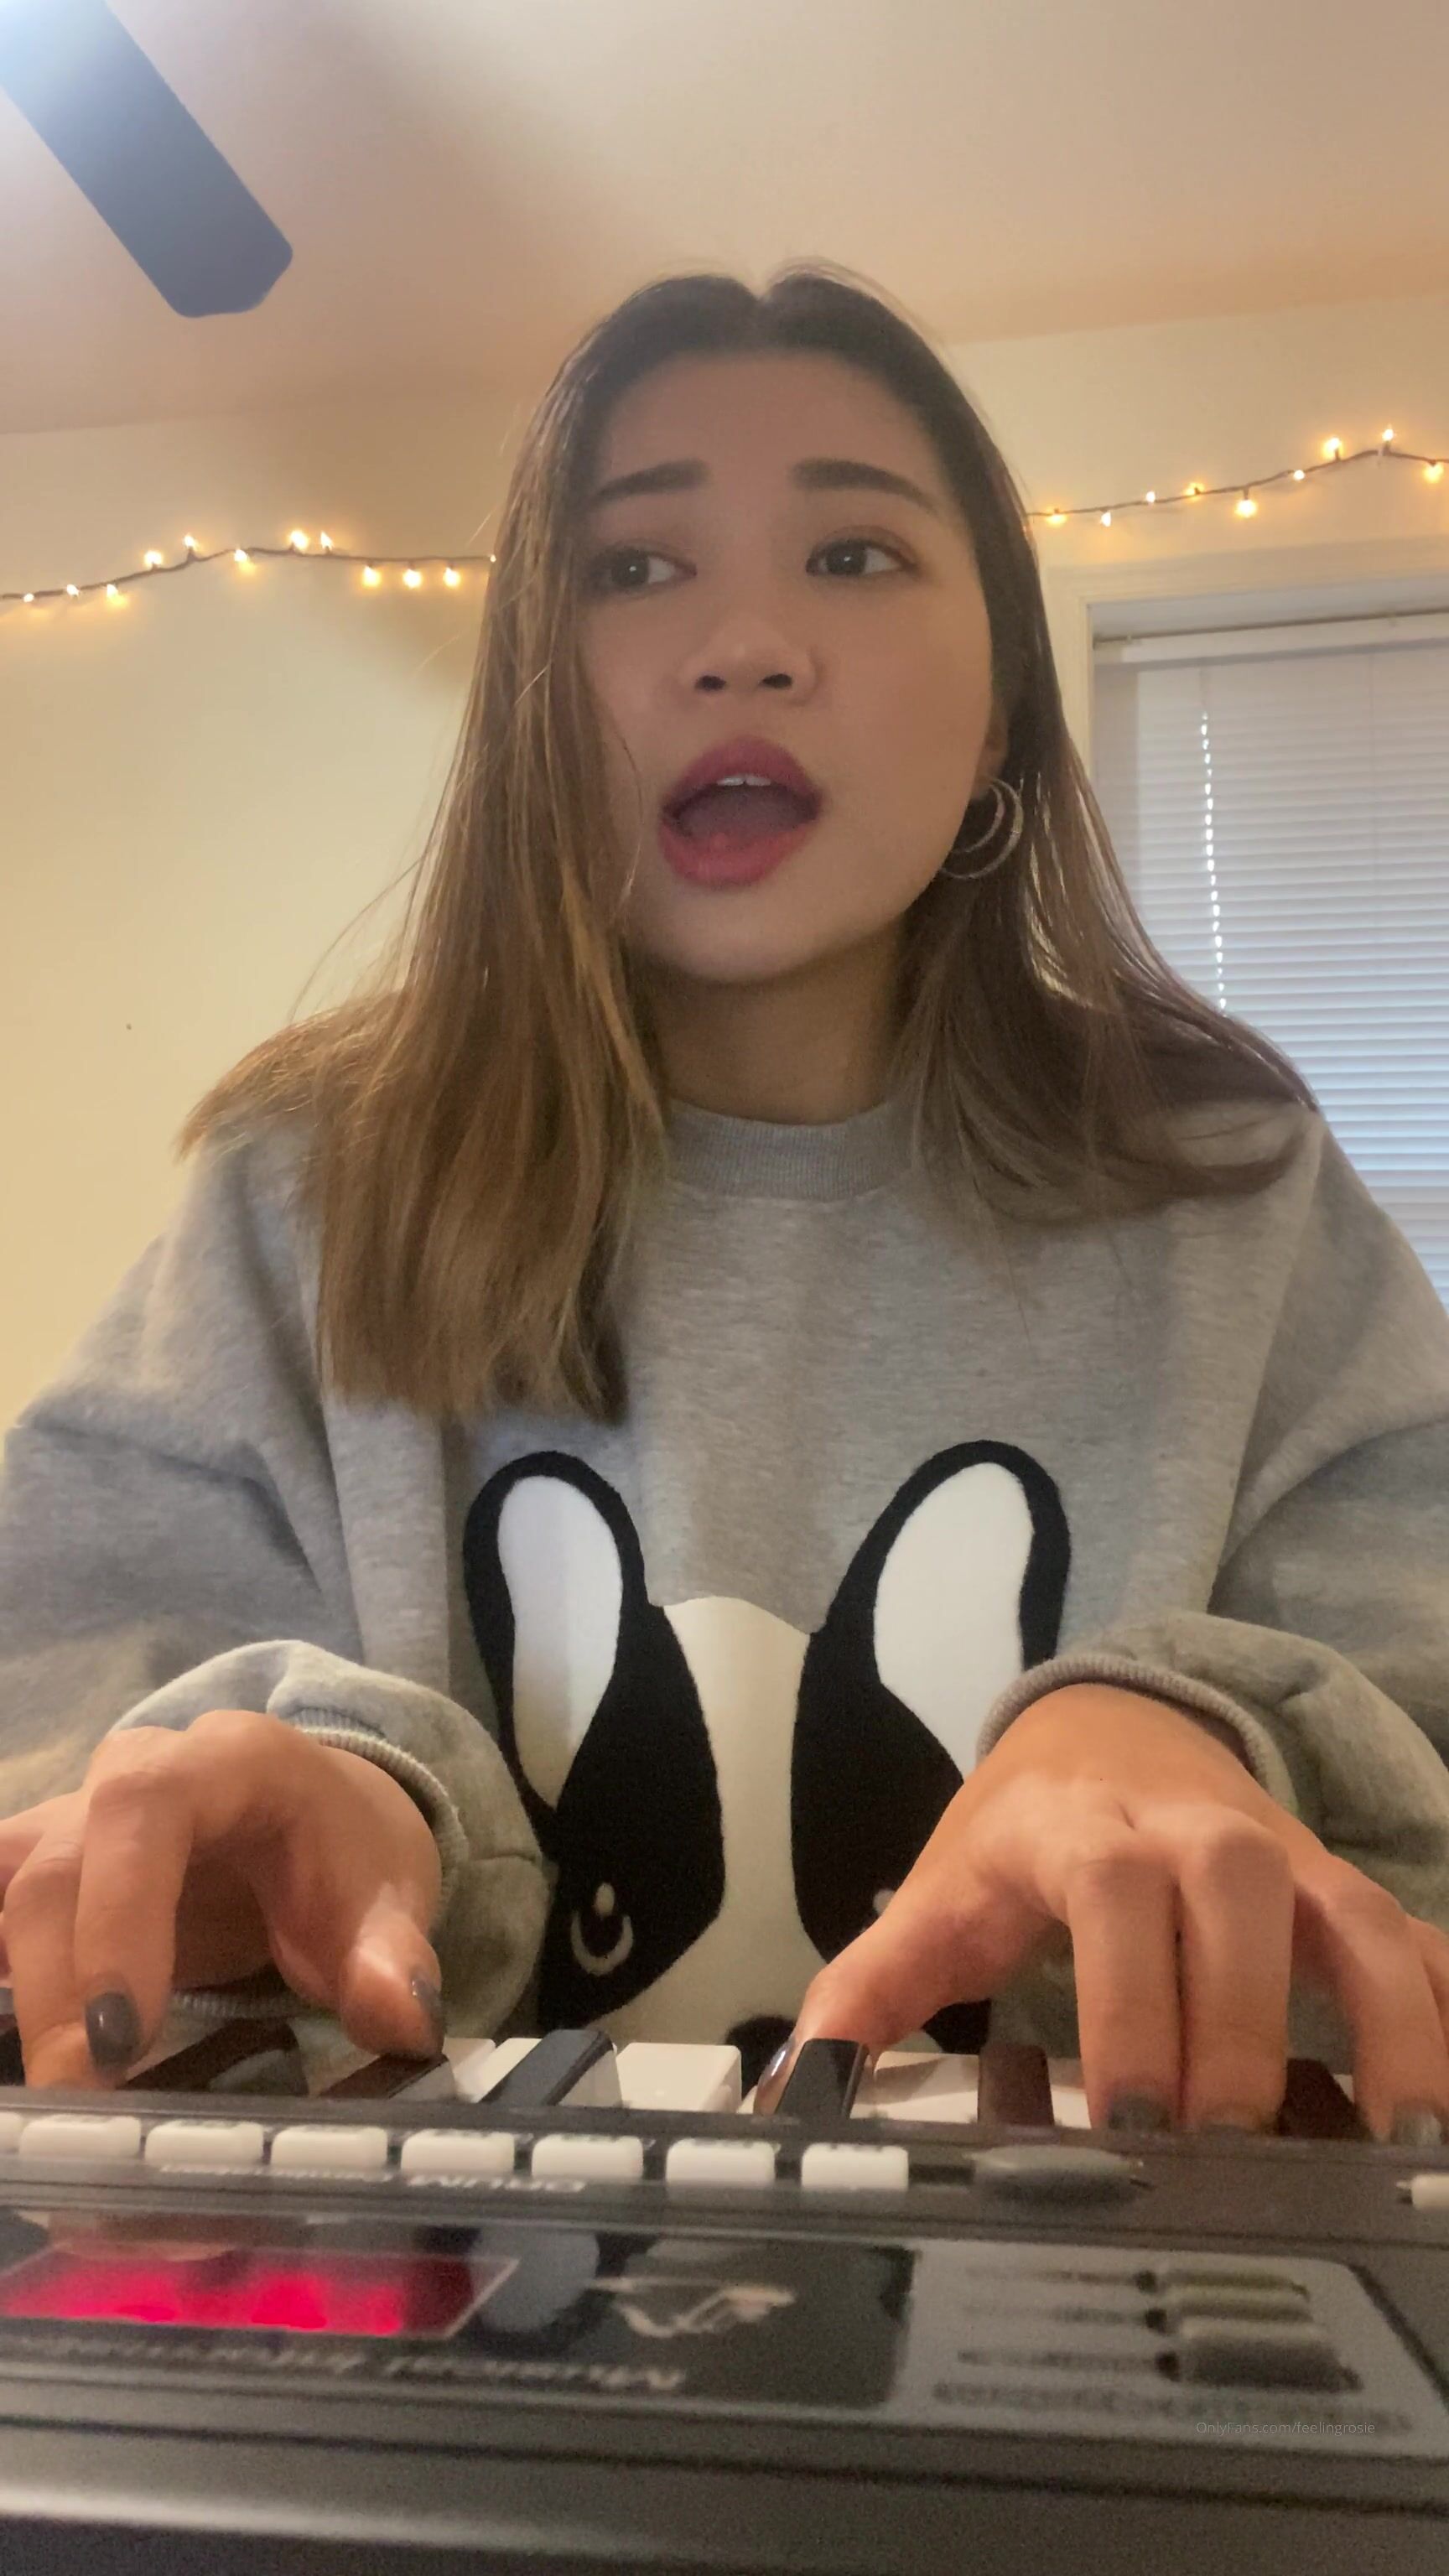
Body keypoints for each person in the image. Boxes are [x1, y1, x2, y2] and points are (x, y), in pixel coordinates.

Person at [2, 270, 1447, 2148]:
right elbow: (57, 1731)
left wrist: (1201, 1735)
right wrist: (336, 1799)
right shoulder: (298, 1197)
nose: (746, 645)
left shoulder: (1235, 1185)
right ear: (528, 705)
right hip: (428, 2306)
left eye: (854, 555)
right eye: (633, 567)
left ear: (1004, 709)